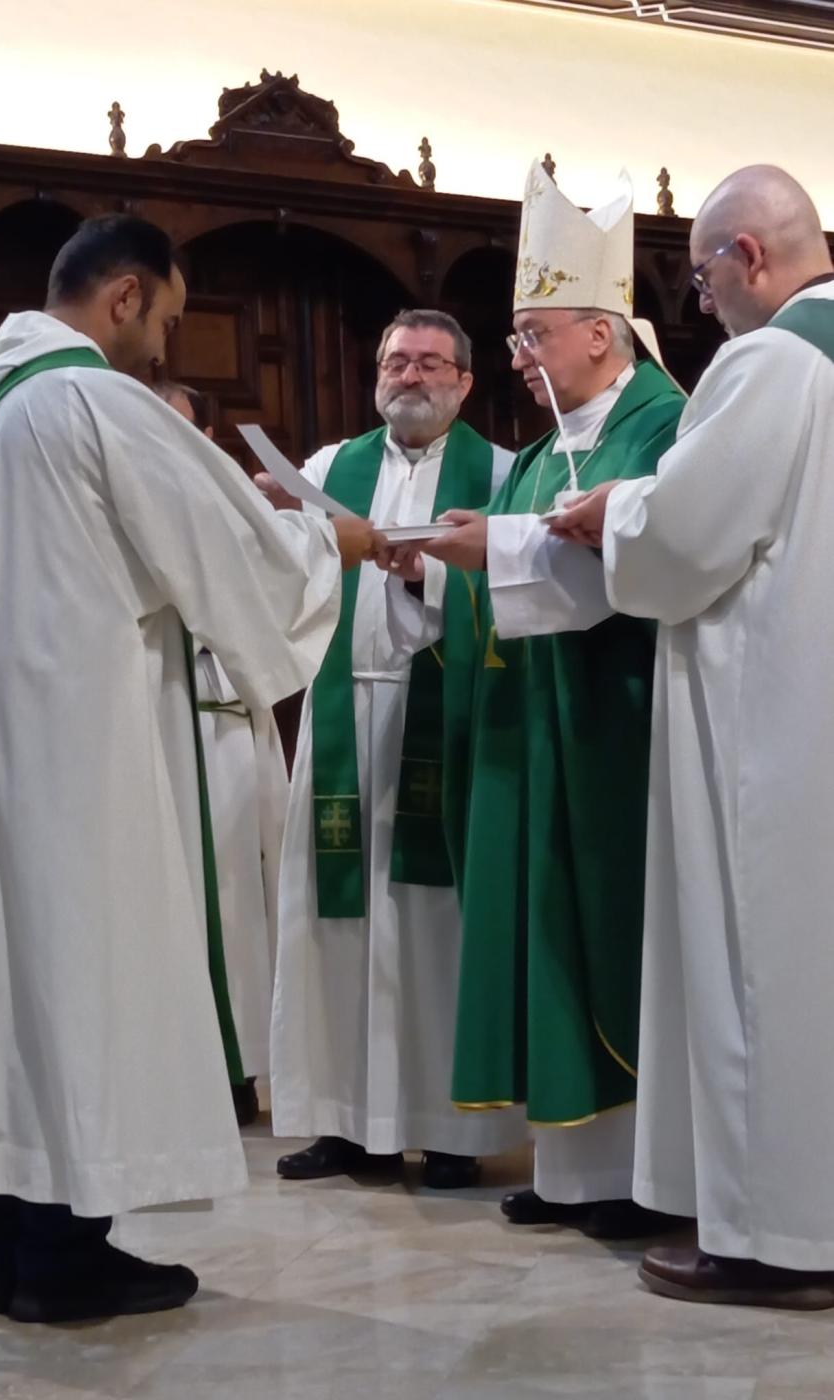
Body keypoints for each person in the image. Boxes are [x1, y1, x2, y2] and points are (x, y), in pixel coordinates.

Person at [0, 215, 376, 1325]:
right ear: (128, 295)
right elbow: (225, 551)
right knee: (78, 982)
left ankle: (15, 1242)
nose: (164, 349)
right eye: (172, 319)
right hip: (75, 750)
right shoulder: (91, 400)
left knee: (14, 991)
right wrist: (322, 544)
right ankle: (63, 1256)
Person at [384, 163, 686, 1238]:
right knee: (545, 938)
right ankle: (572, 1168)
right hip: (539, 734)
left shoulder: (658, 422)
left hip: (616, 727)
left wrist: (492, 547)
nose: (517, 357)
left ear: (601, 334)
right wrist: (446, 561)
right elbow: (517, 565)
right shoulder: (547, 442)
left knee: (607, 932)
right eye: (513, 338)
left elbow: (625, 569)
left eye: (533, 334)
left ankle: (637, 1174)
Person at [550, 165, 834, 1307]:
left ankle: (775, 1238)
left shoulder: (774, 362)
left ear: (750, 256)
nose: (699, 299)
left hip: (769, 724)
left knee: (758, 969)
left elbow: (686, 536)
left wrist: (611, 508)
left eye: (704, 271)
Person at [259, 309, 523, 1189]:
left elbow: (518, 597)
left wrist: (432, 574)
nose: (409, 376)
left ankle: (449, 1130)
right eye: (395, 361)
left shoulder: (505, 474)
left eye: (428, 363)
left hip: (445, 718)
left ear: (464, 381)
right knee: (332, 924)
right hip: (344, 719)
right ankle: (342, 1124)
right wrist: (277, 522)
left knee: (435, 928)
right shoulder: (335, 468)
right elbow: (298, 575)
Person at [155, 380, 289, 1127]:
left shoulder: (235, 507)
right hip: (155, 725)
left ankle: (236, 1066)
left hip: (222, 720)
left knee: (236, 896)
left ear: (208, 440)